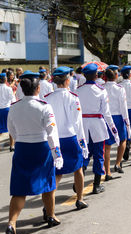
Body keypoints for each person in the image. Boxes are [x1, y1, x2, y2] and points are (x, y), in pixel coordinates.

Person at [5, 71, 63, 234]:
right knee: (48, 184)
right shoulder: (44, 106)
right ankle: (51, 215)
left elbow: (11, 130)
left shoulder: (14, 107)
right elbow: (52, 132)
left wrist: (21, 139)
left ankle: (11, 224)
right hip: (41, 147)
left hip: (22, 147)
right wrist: (57, 153)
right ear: (38, 88)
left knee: (19, 189)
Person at [44, 66, 88, 210]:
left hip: (54, 139)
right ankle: (80, 199)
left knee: (56, 173)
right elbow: (78, 123)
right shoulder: (73, 97)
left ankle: (48, 206)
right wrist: (83, 144)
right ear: (67, 80)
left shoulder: (47, 98)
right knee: (78, 169)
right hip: (70, 137)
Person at [76, 63, 119, 194]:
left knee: (84, 154)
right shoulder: (101, 91)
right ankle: (96, 185)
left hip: (82, 126)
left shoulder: (78, 90)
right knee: (98, 155)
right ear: (96, 75)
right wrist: (113, 128)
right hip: (97, 126)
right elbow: (106, 113)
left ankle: (79, 182)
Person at [103, 66, 130, 179]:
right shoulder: (119, 88)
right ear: (116, 76)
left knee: (107, 145)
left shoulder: (101, 88)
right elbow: (123, 107)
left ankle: (107, 171)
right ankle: (118, 163)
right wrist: (127, 121)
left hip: (106, 117)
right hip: (118, 117)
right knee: (123, 140)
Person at [0, 73, 16, 156]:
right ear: (5, 80)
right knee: (11, 127)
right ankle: (12, 145)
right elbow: (13, 100)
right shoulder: (8, 89)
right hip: (7, 109)